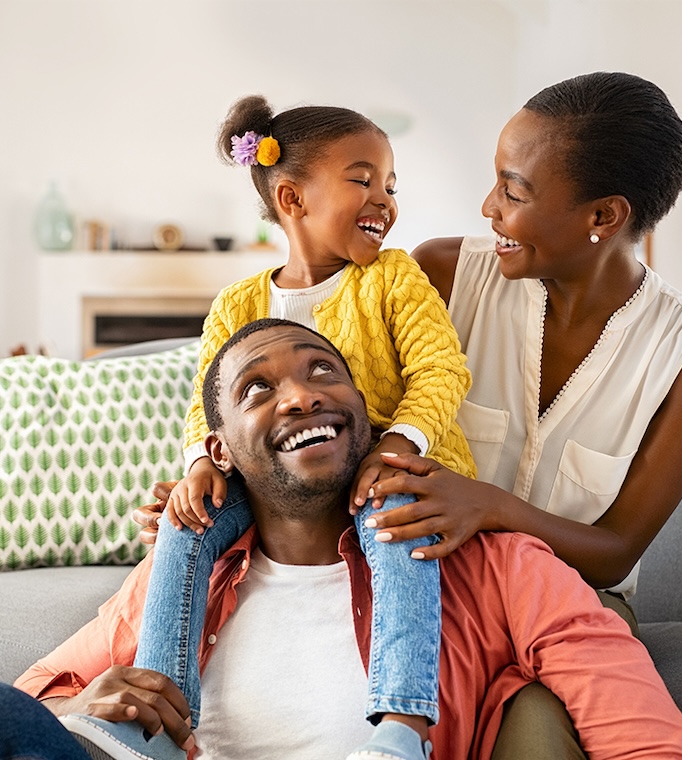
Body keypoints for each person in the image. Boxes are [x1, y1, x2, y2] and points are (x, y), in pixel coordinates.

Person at [11, 319, 682, 760]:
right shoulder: (183, 578)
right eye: (258, 389)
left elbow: (638, 729)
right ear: (217, 451)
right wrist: (82, 702)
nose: (300, 395)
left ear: (367, 420)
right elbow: (36, 696)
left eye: (322, 371)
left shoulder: (494, 564)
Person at [352, 71, 682, 757]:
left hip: (577, 604)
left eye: (514, 190)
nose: (487, 206)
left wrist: (490, 506)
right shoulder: (440, 277)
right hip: (430, 586)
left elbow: (617, 549)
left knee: (537, 729)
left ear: (603, 217)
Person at [99, 95, 476, 760]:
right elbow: (206, 401)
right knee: (183, 529)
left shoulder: (392, 278)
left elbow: (440, 371)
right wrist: (199, 467)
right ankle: (161, 718)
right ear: (292, 199)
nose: (384, 199)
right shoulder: (239, 302)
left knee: (394, 523)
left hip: (384, 468)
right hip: (275, 485)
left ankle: (399, 726)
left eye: (391, 184)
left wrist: (395, 447)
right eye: (363, 179)